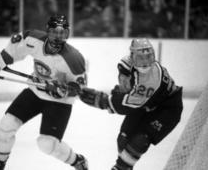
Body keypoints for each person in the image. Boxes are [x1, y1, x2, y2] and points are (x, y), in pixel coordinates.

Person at [0, 15, 88, 170]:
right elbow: (10, 54)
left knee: (46, 144)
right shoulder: (32, 38)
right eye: (54, 32)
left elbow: (79, 89)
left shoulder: (74, 58)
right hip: (35, 92)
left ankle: (78, 161)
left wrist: (63, 90)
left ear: (68, 34)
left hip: (59, 102)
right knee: (7, 124)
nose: (58, 37)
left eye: (62, 33)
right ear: (47, 31)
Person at [78, 38, 183, 170]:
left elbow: (129, 105)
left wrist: (103, 101)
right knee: (123, 139)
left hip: (167, 109)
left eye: (148, 57)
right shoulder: (127, 64)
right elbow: (127, 89)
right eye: (141, 58)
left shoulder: (151, 79)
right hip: (146, 104)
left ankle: (121, 168)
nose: (145, 63)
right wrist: (117, 95)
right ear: (132, 57)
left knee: (140, 140)